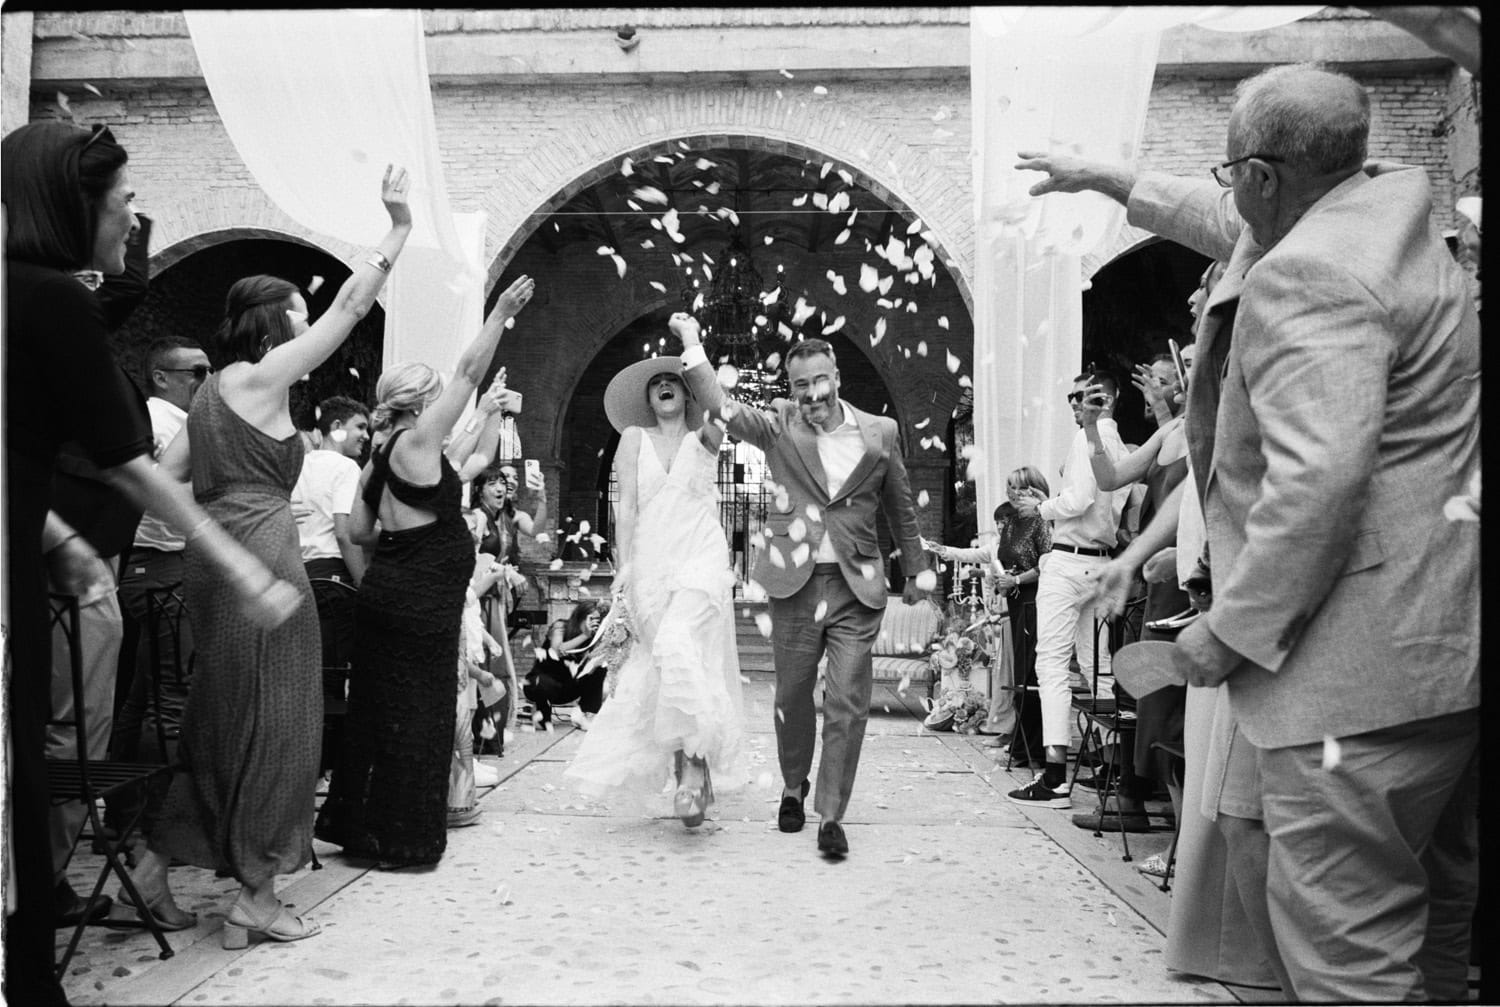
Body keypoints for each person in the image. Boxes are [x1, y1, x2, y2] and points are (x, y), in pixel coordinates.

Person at [1017, 62, 1479, 1001]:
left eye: (1233, 176)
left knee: (1349, 956)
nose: (1227, 197)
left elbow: (1316, 487)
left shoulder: (1310, 273)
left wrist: (1223, 636)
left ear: (1265, 177)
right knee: (1432, 929)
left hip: (1356, 683)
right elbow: (1222, 219)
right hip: (1441, 657)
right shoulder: (1382, 212)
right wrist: (1109, 179)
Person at [2, 120, 295, 1004]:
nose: (134, 220)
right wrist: (241, 567)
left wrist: (57, 540)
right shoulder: (48, 298)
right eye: (125, 201)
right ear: (74, 205)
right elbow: (132, 464)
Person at [132, 166, 413, 948]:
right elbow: (352, 304)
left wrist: (209, 529)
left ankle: (155, 863)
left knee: (220, 715)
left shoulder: (210, 393)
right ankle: (256, 895)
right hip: (263, 558)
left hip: (214, 563)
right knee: (280, 722)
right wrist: (397, 228)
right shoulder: (263, 374)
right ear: (276, 325)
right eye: (300, 315)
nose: (311, 324)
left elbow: (163, 479)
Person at [675, 315, 931, 857]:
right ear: (790, 389)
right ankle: (794, 785)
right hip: (794, 586)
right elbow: (722, 407)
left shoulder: (880, 433)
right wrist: (693, 344)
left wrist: (915, 569)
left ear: (836, 377)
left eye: (819, 380)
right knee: (792, 697)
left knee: (847, 701)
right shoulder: (779, 425)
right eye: (800, 385)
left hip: (857, 587)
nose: (811, 393)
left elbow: (900, 506)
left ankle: (831, 815)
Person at [315, 274, 536, 869]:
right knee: (419, 716)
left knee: (377, 713)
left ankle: (360, 831)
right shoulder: (416, 441)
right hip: (420, 603)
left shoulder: (376, 460)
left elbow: (359, 532)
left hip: (388, 593)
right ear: (420, 403)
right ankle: (402, 842)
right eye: (435, 398)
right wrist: (499, 314)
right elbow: (467, 373)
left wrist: (402, 544)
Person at [565, 351, 743, 829]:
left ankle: (696, 767)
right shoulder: (633, 438)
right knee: (665, 668)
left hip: (701, 558)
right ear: (648, 397)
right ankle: (690, 776)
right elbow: (625, 507)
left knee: (678, 645)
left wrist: (695, 352)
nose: (664, 385)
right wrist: (625, 568)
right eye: (656, 382)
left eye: (673, 380)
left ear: (687, 393)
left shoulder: (705, 437)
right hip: (652, 563)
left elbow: (722, 409)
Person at [1067, 353, 1191, 834]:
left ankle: (1178, 834)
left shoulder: (1208, 426)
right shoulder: (1169, 432)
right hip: (1156, 578)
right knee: (1152, 697)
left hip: (1187, 576)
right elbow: (1110, 478)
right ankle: (1148, 809)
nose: (1157, 384)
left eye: (1166, 376)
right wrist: (1092, 428)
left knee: (1173, 704)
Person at [1005, 369, 1130, 811]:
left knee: (1052, 665)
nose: (1075, 404)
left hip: (1070, 559)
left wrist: (1040, 506)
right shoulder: (1118, 444)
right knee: (1098, 665)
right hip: (1102, 561)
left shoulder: (1086, 439)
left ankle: (1055, 776)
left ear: (1106, 399)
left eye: (1082, 396)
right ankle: (1113, 764)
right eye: (1071, 397)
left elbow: (1077, 500)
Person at [932, 466, 1052, 764]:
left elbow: (1048, 563)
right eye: (1010, 486)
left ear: (1036, 489)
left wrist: (1017, 579)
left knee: (1032, 674)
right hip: (1015, 603)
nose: (1014, 492)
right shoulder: (1012, 526)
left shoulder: (1042, 521)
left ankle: (1036, 747)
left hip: (1035, 602)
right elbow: (993, 558)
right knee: (1020, 677)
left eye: (1020, 487)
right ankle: (1021, 743)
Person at [525, 603, 607, 730]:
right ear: (580, 616)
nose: (593, 623)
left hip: (568, 687)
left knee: (599, 667)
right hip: (542, 683)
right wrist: (584, 635)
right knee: (543, 722)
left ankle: (585, 713)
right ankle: (541, 712)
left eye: (597, 619)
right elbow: (557, 651)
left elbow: (594, 661)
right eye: (591, 618)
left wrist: (600, 639)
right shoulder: (561, 626)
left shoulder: (593, 636)